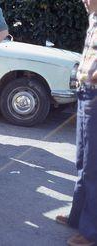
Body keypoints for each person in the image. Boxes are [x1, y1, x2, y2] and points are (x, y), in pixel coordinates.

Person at [56, 0, 97, 245]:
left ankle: (91, 231)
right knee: (82, 159)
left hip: (95, 96)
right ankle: (77, 217)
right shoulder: (94, 18)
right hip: (85, 93)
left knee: (93, 164)